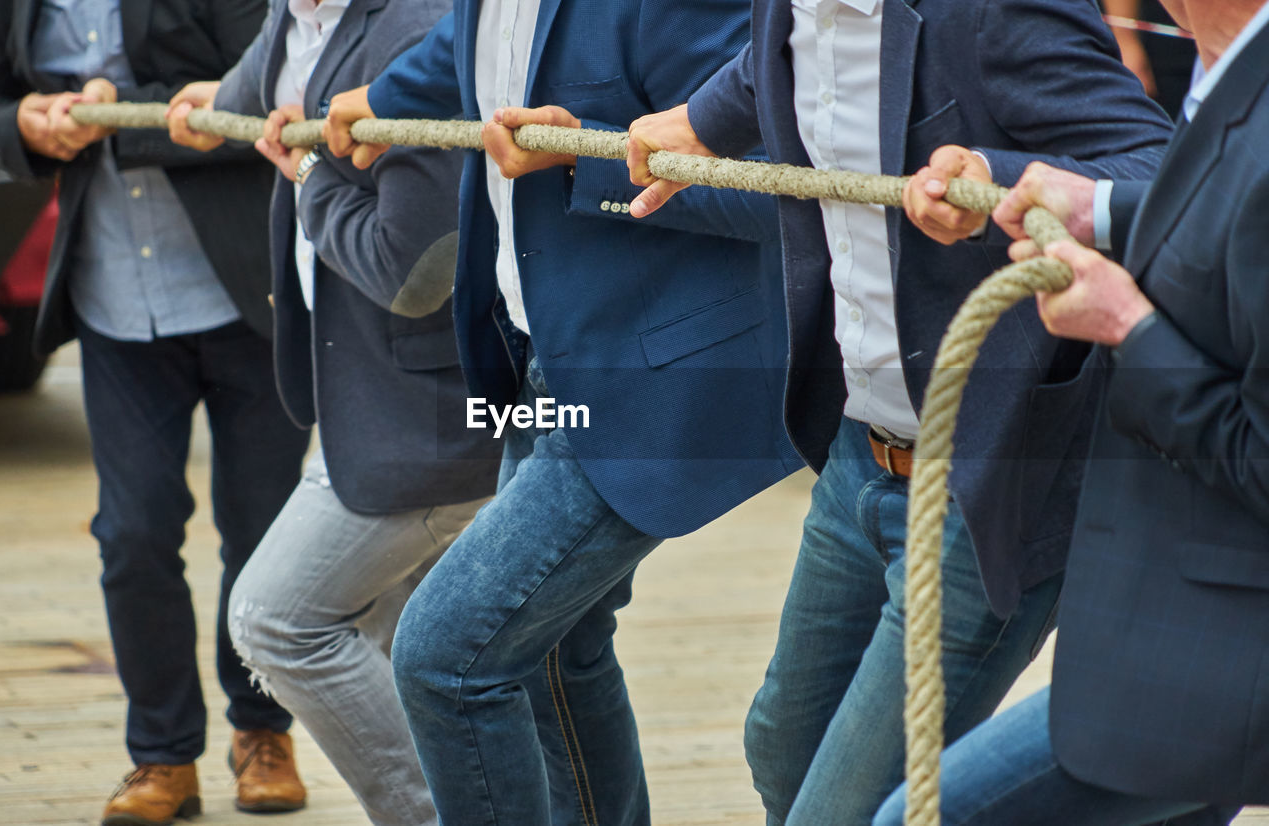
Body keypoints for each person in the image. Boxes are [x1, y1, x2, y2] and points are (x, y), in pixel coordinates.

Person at [622, 2, 1173, 823]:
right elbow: (775, 65)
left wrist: (994, 178)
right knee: (781, 745)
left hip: (988, 474)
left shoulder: (996, 12)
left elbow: (1164, 172)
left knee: (844, 809)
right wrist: (701, 124)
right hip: (858, 456)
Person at [321, 0, 803, 821]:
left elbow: (776, 186)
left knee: (446, 656)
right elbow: (461, 51)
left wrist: (587, 157)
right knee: (553, 652)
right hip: (537, 367)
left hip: (651, 381)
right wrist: (374, 102)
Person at [873, 1, 1269, 823]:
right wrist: (1099, 206)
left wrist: (1126, 325)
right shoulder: (1233, 69)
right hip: (1168, 620)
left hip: (1213, 662)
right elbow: (1229, 216)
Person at [160, 0, 502, 822]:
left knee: (277, 620)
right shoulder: (291, 15)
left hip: (429, 412)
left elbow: (415, 273)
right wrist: (213, 104)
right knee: (411, 648)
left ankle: (444, 813)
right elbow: (260, 84)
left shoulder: (408, 32)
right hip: (359, 400)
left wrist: (306, 174)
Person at [0, 0, 311, 823]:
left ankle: (262, 729)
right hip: (110, 300)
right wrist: (23, 126)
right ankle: (163, 756)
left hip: (245, 294)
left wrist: (111, 119)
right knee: (131, 534)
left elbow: (272, 85)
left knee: (261, 532)